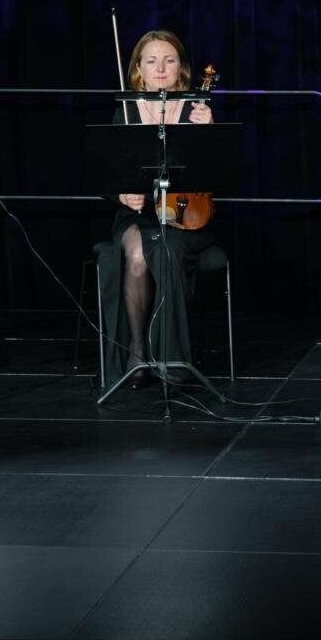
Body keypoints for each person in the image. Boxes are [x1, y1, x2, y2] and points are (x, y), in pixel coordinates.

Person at [97, 30, 216, 390]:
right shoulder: (126, 108)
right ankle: (136, 349)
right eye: (151, 61)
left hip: (186, 215)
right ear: (138, 69)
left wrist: (209, 133)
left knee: (160, 250)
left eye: (169, 60)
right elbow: (104, 174)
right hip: (136, 215)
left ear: (181, 68)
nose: (160, 68)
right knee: (135, 252)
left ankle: (165, 357)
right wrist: (121, 196)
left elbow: (220, 172)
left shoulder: (198, 108)